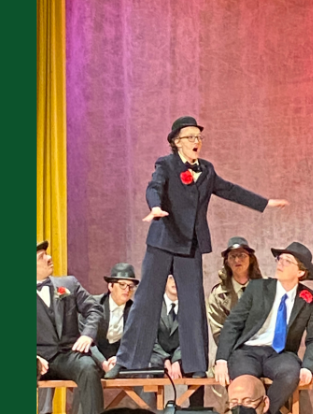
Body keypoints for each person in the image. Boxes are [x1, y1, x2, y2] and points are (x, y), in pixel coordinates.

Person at [107, 116, 288, 378]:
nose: (196, 142)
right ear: (176, 142)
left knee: (192, 305)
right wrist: (155, 207)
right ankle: (126, 361)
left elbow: (230, 190)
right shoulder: (166, 164)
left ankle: (195, 365)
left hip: (190, 244)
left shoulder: (207, 170)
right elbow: (154, 187)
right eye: (191, 137)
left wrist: (265, 203)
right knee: (146, 300)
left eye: (198, 137)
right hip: (163, 240)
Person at [213, 242, 313, 414]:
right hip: (248, 351)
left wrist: (308, 366)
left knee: (290, 373)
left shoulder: (311, 300)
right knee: (245, 383)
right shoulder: (258, 288)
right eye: (279, 259)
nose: (280, 263)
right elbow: (232, 323)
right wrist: (221, 359)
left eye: (287, 261)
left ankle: (267, 412)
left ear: (301, 272)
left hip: (280, 354)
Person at [37, 240, 105, 414]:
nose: (49, 258)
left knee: (88, 368)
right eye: (42, 256)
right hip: (38, 359)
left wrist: (88, 334)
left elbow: (94, 309)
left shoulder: (68, 284)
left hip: (68, 355)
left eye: (47, 253)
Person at [207, 237, 264, 410]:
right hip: (231, 351)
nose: (237, 260)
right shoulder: (219, 295)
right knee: (219, 375)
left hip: (262, 350)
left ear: (251, 259)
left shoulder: (266, 289)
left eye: (241, 255)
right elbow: (218, 331)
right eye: (232, 256)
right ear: (226, 261)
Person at [149, 275, 205, 407]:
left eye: (178, 277)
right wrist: (165, 359)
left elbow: (192, 336)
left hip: (184, 354)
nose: (174, 281)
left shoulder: (192, 306)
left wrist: (177, 360)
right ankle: (153, 409)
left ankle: (196, 410)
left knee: (198, 370)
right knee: (152, 368)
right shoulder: (153, 304)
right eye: (170, 278)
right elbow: (150, 337)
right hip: (157, 355)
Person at [87, 263, 139, 371]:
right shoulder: (93, 305)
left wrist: (120, 358)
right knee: (85, 368)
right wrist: (102, 362)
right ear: (110, 286)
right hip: (94, 358)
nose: (127, 290)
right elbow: (87, 340)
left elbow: (135, 343)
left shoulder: (136, 312)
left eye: (131, 286)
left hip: (120, 360)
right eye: (122, 284)